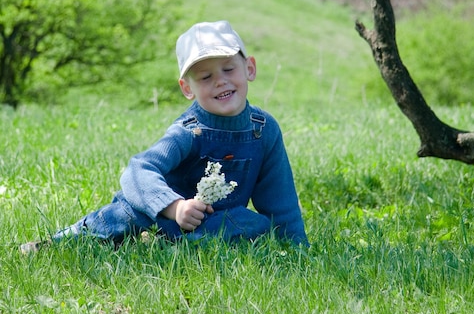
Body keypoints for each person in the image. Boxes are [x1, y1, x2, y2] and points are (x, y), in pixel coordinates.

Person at [21, 20, 308, 253]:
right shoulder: (189, 129)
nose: (220, 80)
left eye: (228, 68)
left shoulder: (263, 129)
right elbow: (138, 171)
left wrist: (298, 249)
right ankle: (55, 245)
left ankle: (176, 249)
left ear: (250, 69)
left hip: (217, 222)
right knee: (122, 216)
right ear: (187, 88)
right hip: (161, 215)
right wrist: (174, 207)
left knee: (253, 226)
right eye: (205, 77)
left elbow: (280, 199)